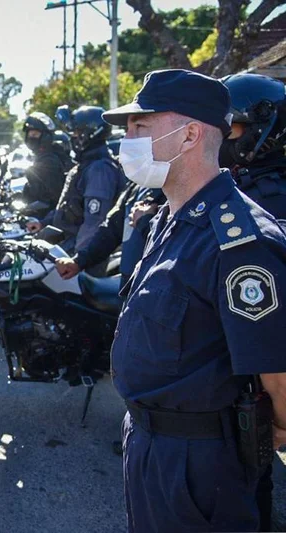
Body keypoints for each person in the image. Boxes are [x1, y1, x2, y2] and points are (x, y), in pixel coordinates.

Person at [103, 68, 286, 532]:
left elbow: (277, 370)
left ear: (188, 135)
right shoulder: (168, 217)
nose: (128, 138)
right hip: (147, 442)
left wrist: (277, 427)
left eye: (140, 126)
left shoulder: (240, 242)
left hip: (200, 463)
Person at [220, 72, 286, 533]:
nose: (225, 139)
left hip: (267, 368)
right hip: (234, 365)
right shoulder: (234, 184)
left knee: (255, 482)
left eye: (233, 129)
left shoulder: (273, 197)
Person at [27, 106, 125, 254]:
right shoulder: (85, 165)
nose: (73, 137)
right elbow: (68, 206)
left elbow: (94, 223)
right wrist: (42, 223)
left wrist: (76, 262)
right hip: (70, 242)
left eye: (77, 132)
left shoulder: (99, 169)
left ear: (91, 134)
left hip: (83, 250)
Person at [54, 182, 164, 288]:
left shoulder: (175, 190)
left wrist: (145, 222)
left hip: (157, 288)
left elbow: (173, 244)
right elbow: (112, 230)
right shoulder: (137, 185)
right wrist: (79, 261)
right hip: (129, 282)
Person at [220, 73, 286, 221]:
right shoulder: (231, 182)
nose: (216, 136)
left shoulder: (272, 202)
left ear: (258, 128)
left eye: (227, 128)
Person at [21, 112, 68, 213]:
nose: (31, 137)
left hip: (47, 219)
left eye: (35, 134)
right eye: (29, 134)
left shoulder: (49, 161)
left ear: (45, 136)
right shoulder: (41, 157)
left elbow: (48, 200)